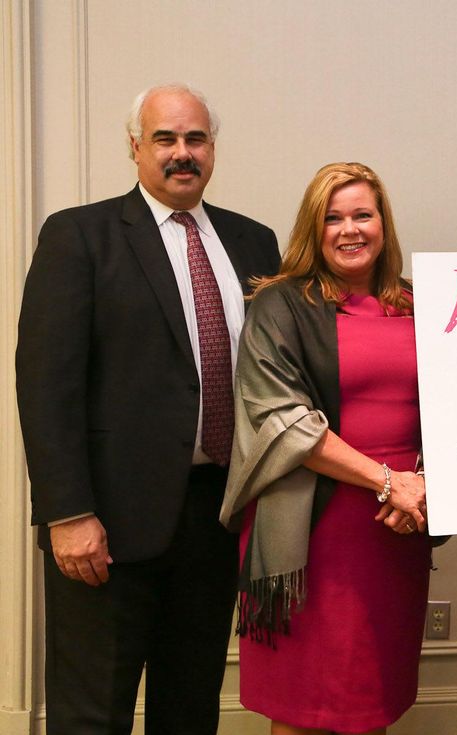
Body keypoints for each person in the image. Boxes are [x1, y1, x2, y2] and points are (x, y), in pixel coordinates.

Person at [15, 83, 281, 734]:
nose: (181, 152)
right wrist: (68, 513)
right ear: (135, 147)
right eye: (165, 138)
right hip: (105, 526)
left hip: (216, 518)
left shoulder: (254, 243)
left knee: (190, 710)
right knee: (91, 714)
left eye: (195, 138)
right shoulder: (80, 235)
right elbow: (46, 384)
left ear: (212, 148)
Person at [219, 161, 431, 735]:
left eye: (363, 214)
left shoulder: (422, 305)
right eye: (333, 218)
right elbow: (282, 421)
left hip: (398, 527)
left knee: (370, 699)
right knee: (304, 705)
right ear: (314, 230)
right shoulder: (278, 306)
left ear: (383, 224)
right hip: (312, 530)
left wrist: (424, 485)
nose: (349, 229)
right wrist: (387, 480)